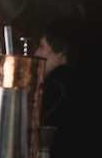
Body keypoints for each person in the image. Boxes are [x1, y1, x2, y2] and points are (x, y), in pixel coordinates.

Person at [33, 17, 85, 158]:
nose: (36, 53)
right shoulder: (79, 84)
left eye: (42, 47)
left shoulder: (57, 88)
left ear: (61, 51)